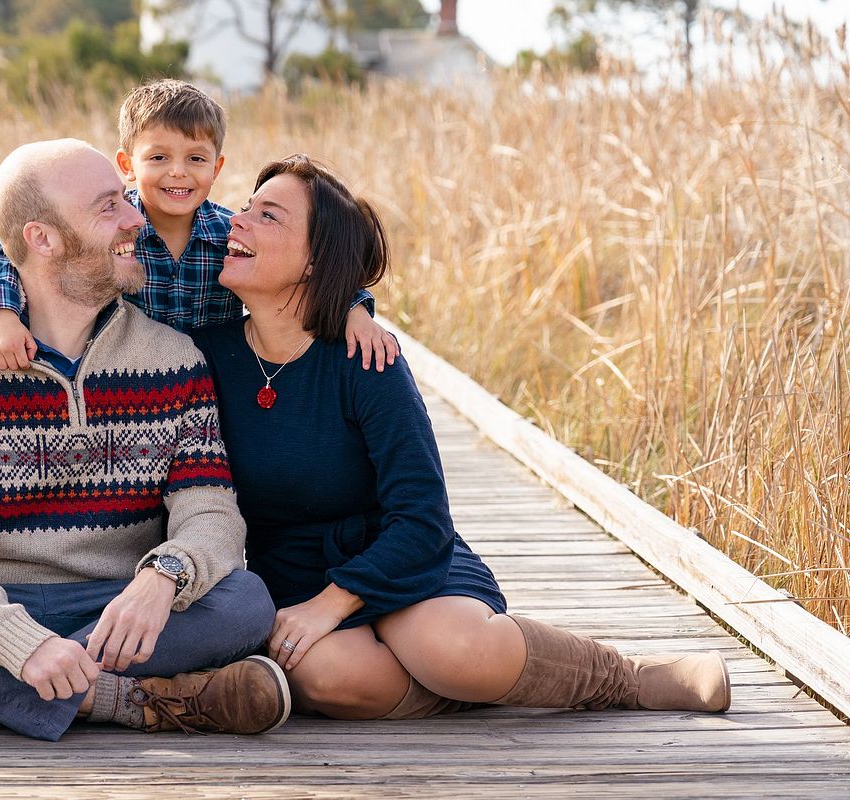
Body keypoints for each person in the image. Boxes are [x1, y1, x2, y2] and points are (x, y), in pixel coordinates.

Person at [189, 154, 731, 720]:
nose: (237, 222)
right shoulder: (206, 355)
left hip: (399, 554)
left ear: (314, 261)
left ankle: (626, 677)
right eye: (245, 209)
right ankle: (473, 684)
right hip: (293, 571)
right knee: (328, 679)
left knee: (455, 646)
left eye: (268, 216)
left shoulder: (365, 358)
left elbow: (422, 517)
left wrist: (335, 603)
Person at [0, 139, 292, 742]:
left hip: (119, 602)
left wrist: (164, 577)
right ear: (42, 238)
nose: (137, 218)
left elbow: (211, 513)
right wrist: (18, 644)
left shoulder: (173, 358)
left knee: (244, 601)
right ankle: (126, 700)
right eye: (109, 208)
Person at [0, 78, 400, 374]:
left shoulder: (228, 234)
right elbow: (6, 253)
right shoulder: (117, 228)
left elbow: (302, 267)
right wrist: (4, 315)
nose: (178, 173)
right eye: (158, 158)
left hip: (213, 391)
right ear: (127, 165)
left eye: (195, 159)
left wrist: (355, 310)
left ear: (216, 168)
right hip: (124, 381)